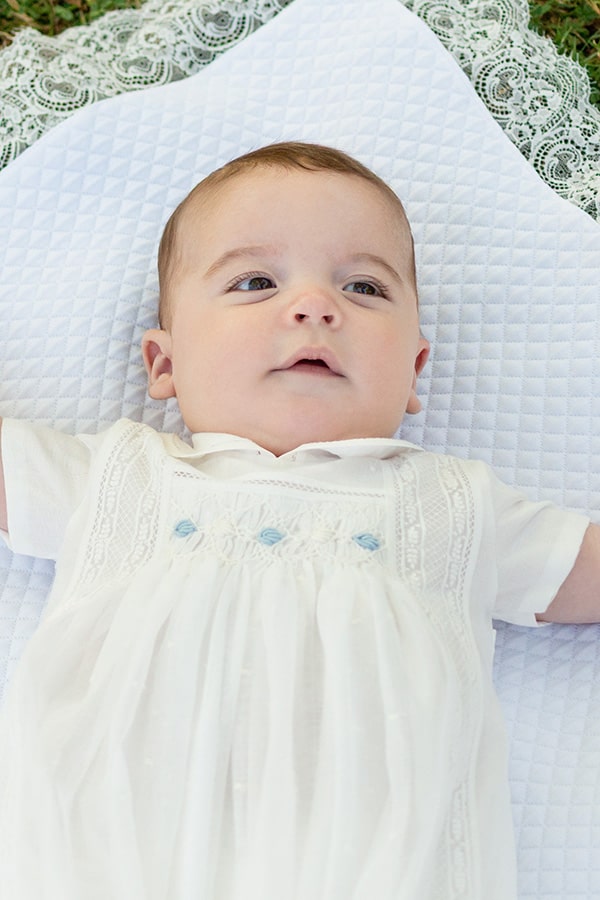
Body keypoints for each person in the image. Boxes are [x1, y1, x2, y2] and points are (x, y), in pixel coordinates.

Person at [0, 141, 597, 900]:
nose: (315, 306)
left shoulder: (452, 507)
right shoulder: (118, 480)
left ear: (414, 372)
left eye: (364, 287)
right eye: (256, 282)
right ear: (164, 365)